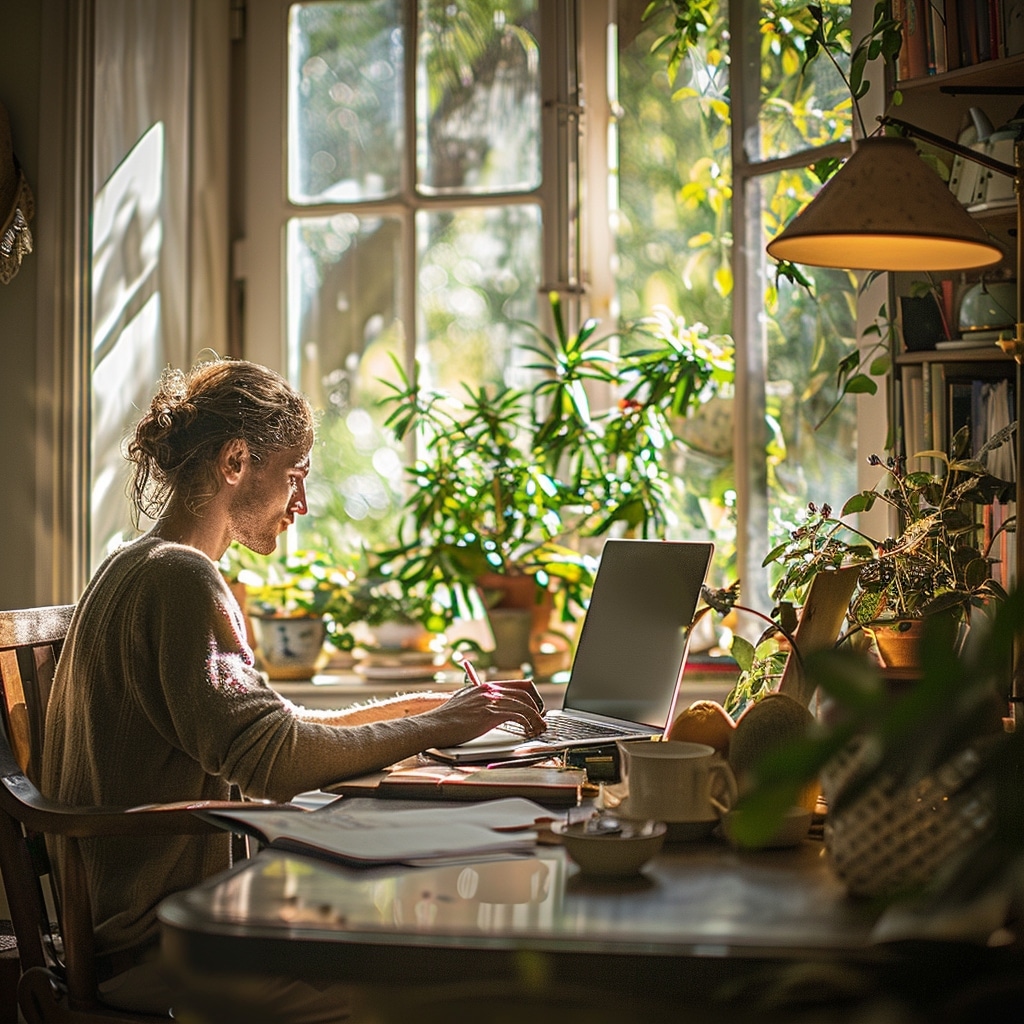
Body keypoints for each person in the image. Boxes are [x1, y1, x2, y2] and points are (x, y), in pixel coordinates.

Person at [41, 357, 544, 1022]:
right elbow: (270, 763)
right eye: (295, 477)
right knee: (440, 984)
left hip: (154, 935)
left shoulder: (131, 566)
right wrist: (436, 729)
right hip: (167, 951)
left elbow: (259, 733)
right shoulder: (182, 580)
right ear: (236, 461)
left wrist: (419, 709)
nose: (301, 504)